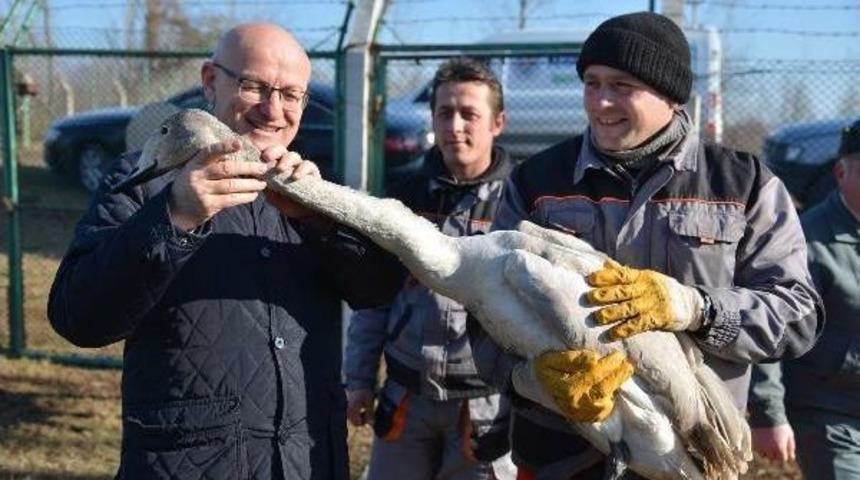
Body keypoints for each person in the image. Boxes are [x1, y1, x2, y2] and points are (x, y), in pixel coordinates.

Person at [467, 11, 824, 479]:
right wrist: (531, 382)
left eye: (621, 85)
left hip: (690, 458)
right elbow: (486, 311)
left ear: (670, 95)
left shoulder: (744, 185)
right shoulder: (536, 183)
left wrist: (697, 309)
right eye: (591, 83)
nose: (601, 102)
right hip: (561, 455)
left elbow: (798, 314)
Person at [48, 23, 400, 479]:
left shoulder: (315, 188)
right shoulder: (145, 183)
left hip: (306, 462)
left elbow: (378, 289)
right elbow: (78, 317)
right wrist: (174, 216)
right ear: (211, 81)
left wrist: (318, 220)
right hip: (190, 465)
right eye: (254, 86)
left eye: (292, 95)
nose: (274, 109)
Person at [344, 57, 516, 480]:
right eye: (445, 113)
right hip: (405, 400)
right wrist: (359, 379)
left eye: (469, 114)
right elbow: (373, 299)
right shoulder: (401, 200)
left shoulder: (523, 203)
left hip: (486, 408)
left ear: (498, 123)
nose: (456, 126)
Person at [747, 119, 860, 479]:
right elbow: (770, 330)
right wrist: (769, 415)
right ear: (841, 172)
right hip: (829, 415)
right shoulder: (805, 243)